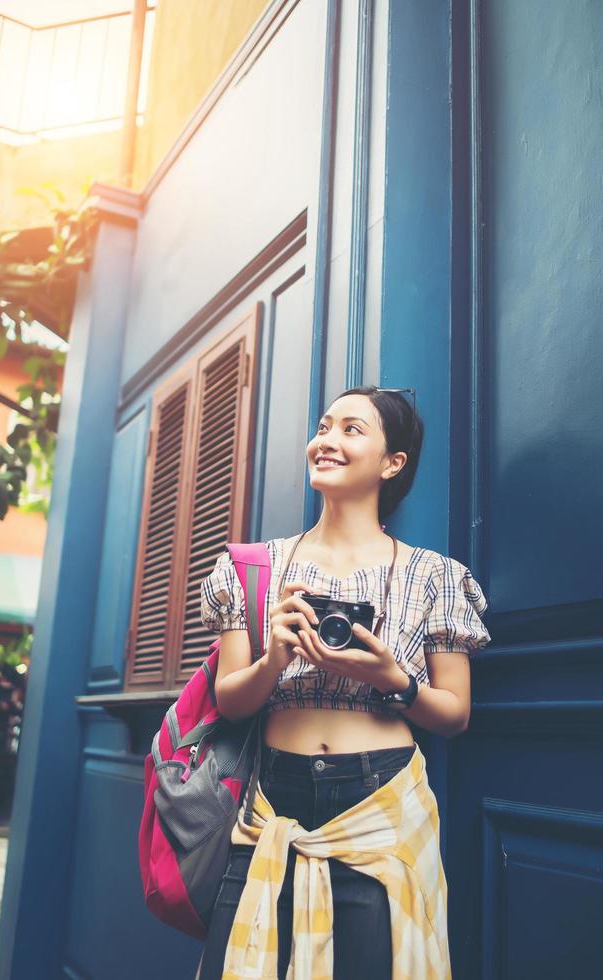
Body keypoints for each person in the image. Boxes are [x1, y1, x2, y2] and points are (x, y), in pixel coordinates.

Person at [197, 384, 492, 979]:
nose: (327, 440)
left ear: (392, 462)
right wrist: (273, 658)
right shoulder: (252, 567)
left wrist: (394, 680)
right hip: (270, 805)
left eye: (351, 430)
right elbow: (230, 702)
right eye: (325, 426)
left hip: (381, 799)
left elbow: (454, 714)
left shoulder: (435, 576)